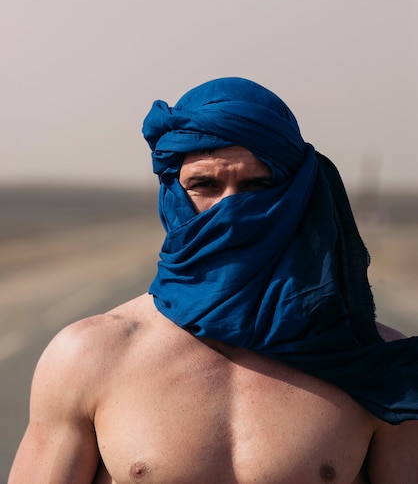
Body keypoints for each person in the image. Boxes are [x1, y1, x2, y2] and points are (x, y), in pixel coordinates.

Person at [8, 77, 418, 484]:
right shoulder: (87, 356)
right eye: (204, 184)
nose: (231, 209)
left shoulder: (379, 370)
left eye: (258, 186)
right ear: (172, 193)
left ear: (296, 197)